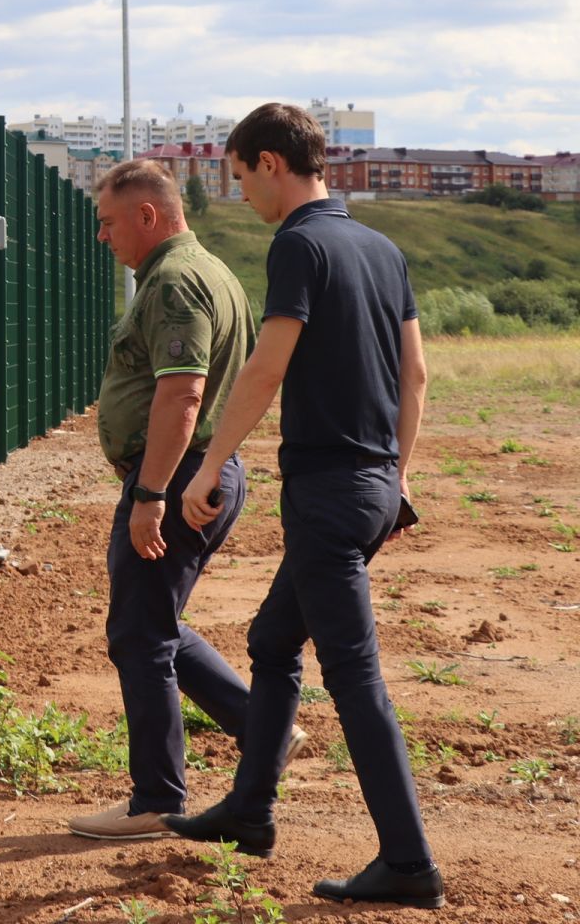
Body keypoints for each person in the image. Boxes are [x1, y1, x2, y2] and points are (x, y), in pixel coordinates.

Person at [163, 103, 443, 910]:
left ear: (272, 164)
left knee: (355, 678)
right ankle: (250, 811)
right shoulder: (381, 248)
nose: (242, 191)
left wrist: (207, 465)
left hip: (325, 494)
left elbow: (266, 365)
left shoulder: (300, 244)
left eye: (241, 175)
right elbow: (415, 377)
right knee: (273, 636)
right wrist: (398, 477)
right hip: (374, 489)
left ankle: (409, 861)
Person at [67, 160, 302, 843]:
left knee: (140, 635)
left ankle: (157, 799)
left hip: (177, 474)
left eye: (109, 223)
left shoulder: (172, 280)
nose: (104, 237)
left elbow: (183, 392)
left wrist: (149, 493)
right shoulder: (213, 272)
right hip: (205, 469)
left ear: (148, 215)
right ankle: (265, 731)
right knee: (155, 622)